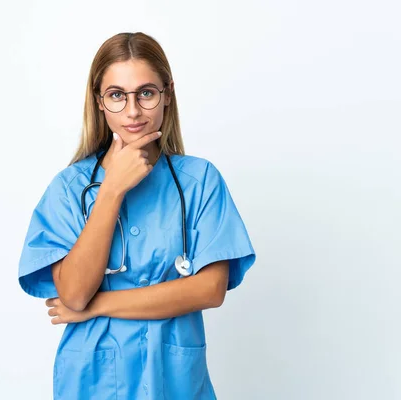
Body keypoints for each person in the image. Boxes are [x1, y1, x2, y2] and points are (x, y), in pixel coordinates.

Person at [18, 32, 256, 400]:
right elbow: (74, 293)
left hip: (175, 380)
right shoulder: (69, 189)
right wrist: (112, 190)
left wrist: (98, 306)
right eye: (117, 95)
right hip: (93, 382)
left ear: (167, 94)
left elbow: (210, 289)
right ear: (99, 102)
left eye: (146, 93)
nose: (132, 111)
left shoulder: (199, 181)